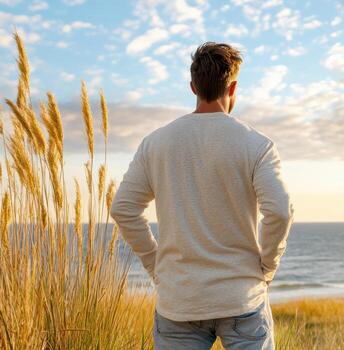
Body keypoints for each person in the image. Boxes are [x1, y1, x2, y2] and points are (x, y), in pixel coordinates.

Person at [110, 42, 294, 350]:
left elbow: (123, 209)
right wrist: (267, 267)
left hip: (179, 301)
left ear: (193, 86)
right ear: (233, 87)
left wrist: (156, 264)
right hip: (241, 297)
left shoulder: (155, 143)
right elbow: (280, 212)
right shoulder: (256, 144)